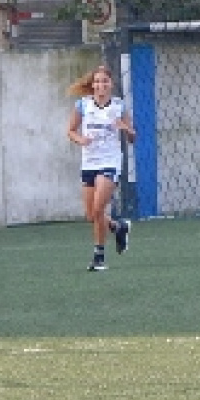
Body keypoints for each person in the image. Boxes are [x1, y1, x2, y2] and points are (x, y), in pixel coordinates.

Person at [66, 65, 134, 272]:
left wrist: (127, 129)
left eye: (105, 81)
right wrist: (80, 139)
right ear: (93, 84)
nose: (100, 85)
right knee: (91, 215)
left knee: (98, 209)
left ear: (111, 84)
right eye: (97, 81)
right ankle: (117, 226)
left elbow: (132, 137)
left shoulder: (119, 106)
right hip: (89, 162)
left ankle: (99, 257)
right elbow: (71, 130)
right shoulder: (83, 105)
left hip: (109, 162)